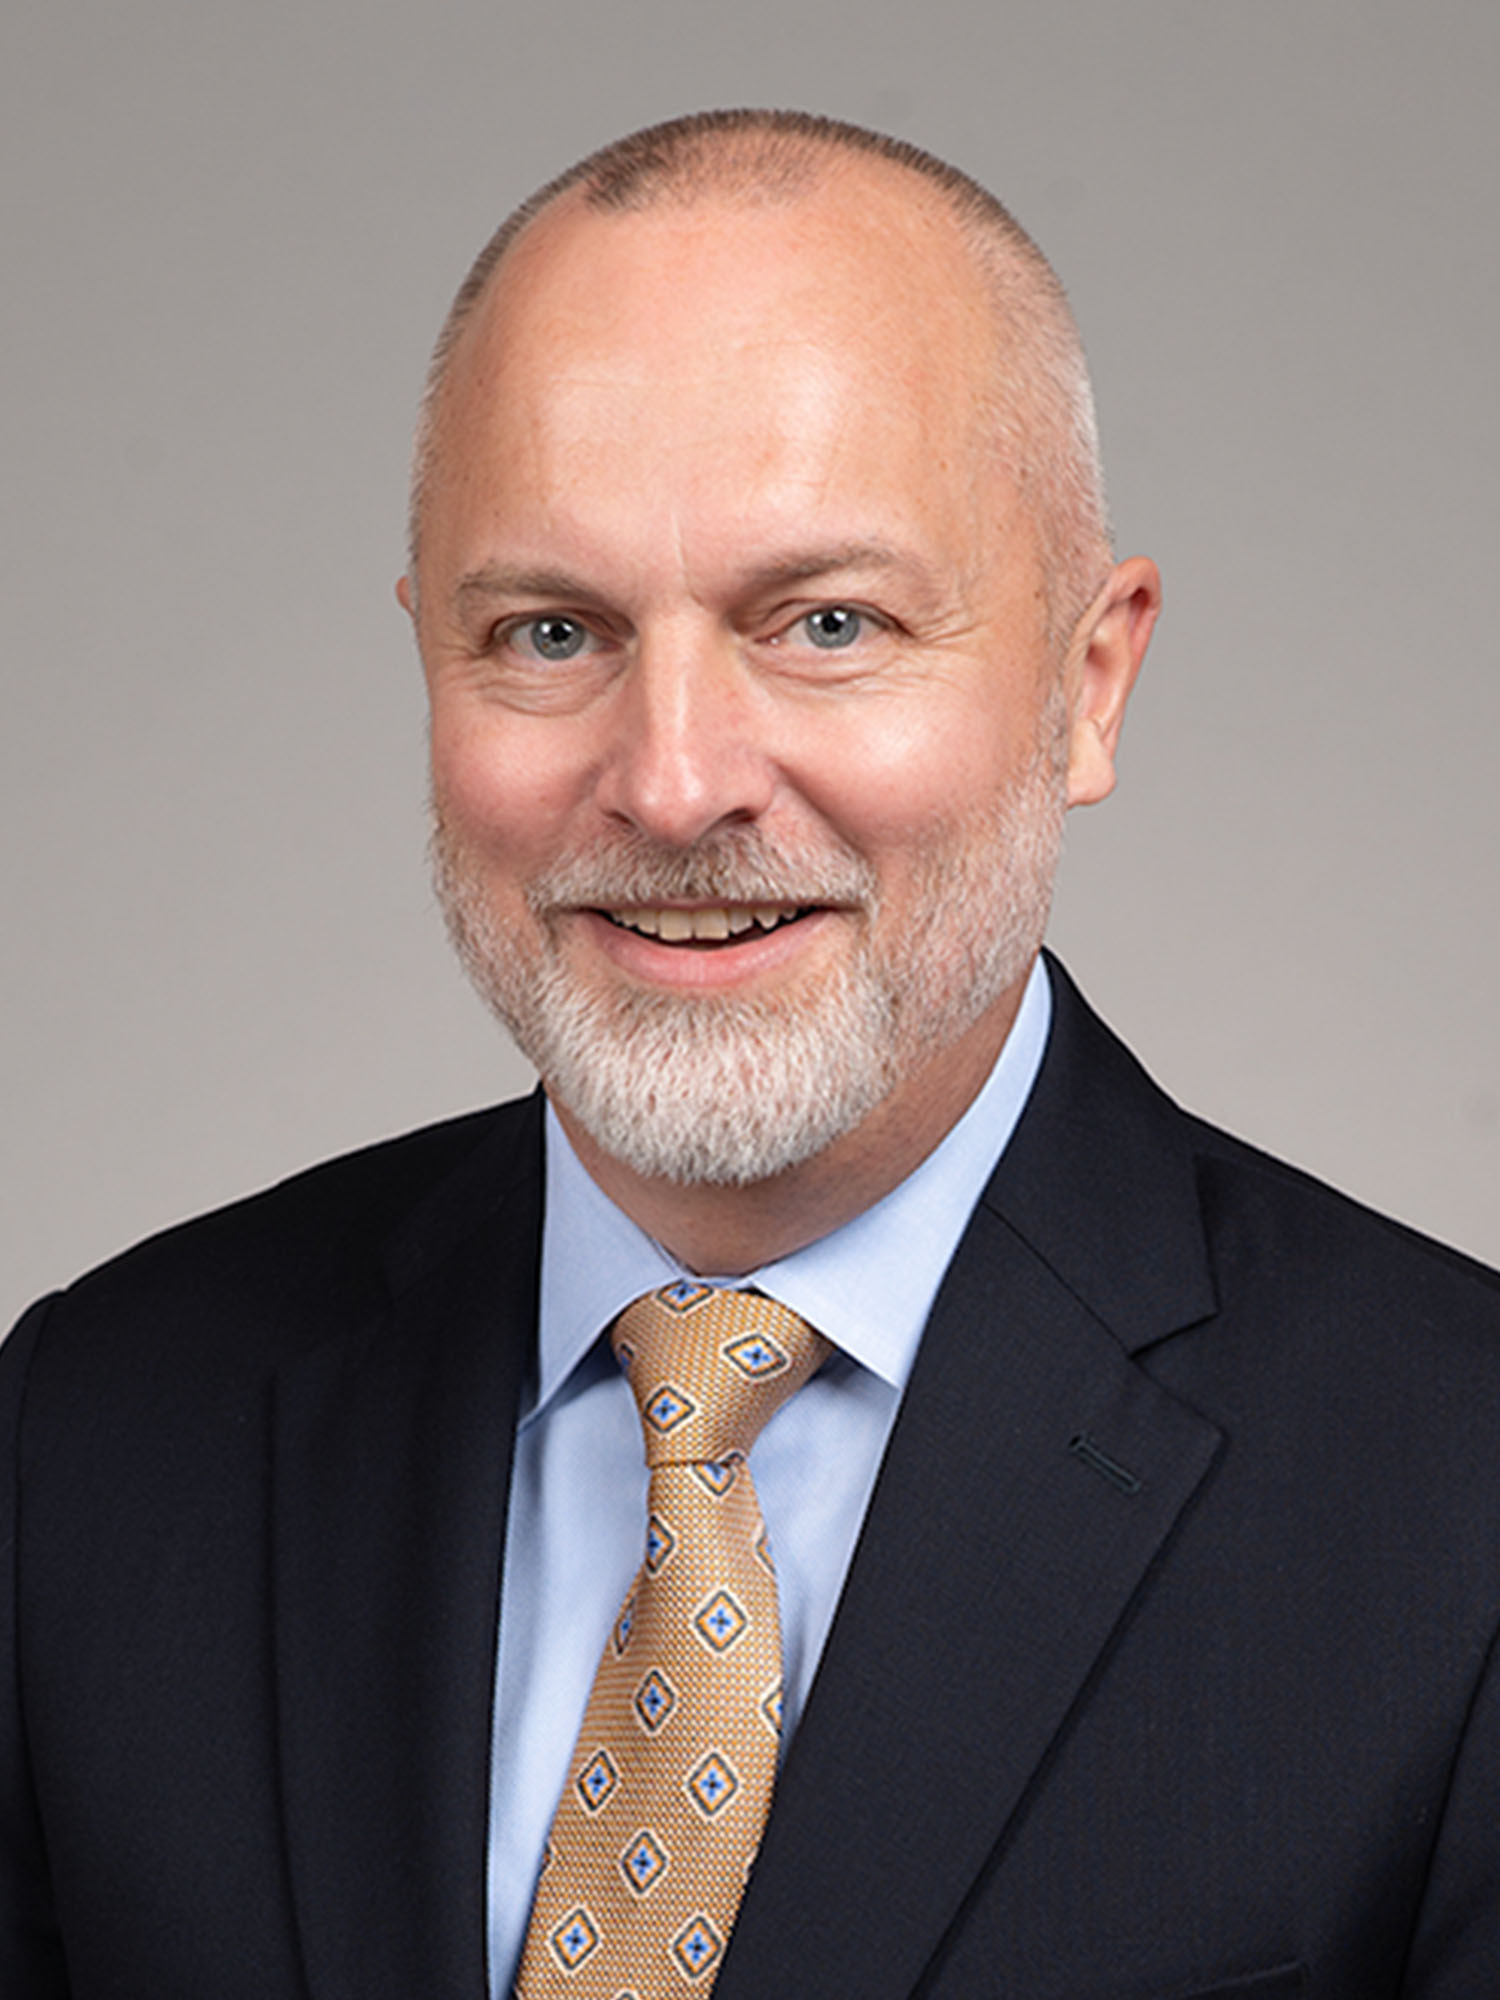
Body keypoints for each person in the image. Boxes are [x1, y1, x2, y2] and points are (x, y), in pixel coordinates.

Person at [3, 109, 1498, 2000]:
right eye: (551, 632)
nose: (676, 780)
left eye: (826, 624)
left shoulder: (1461, 1509)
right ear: (426, 663)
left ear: (1088, 681)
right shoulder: (96, 1439)